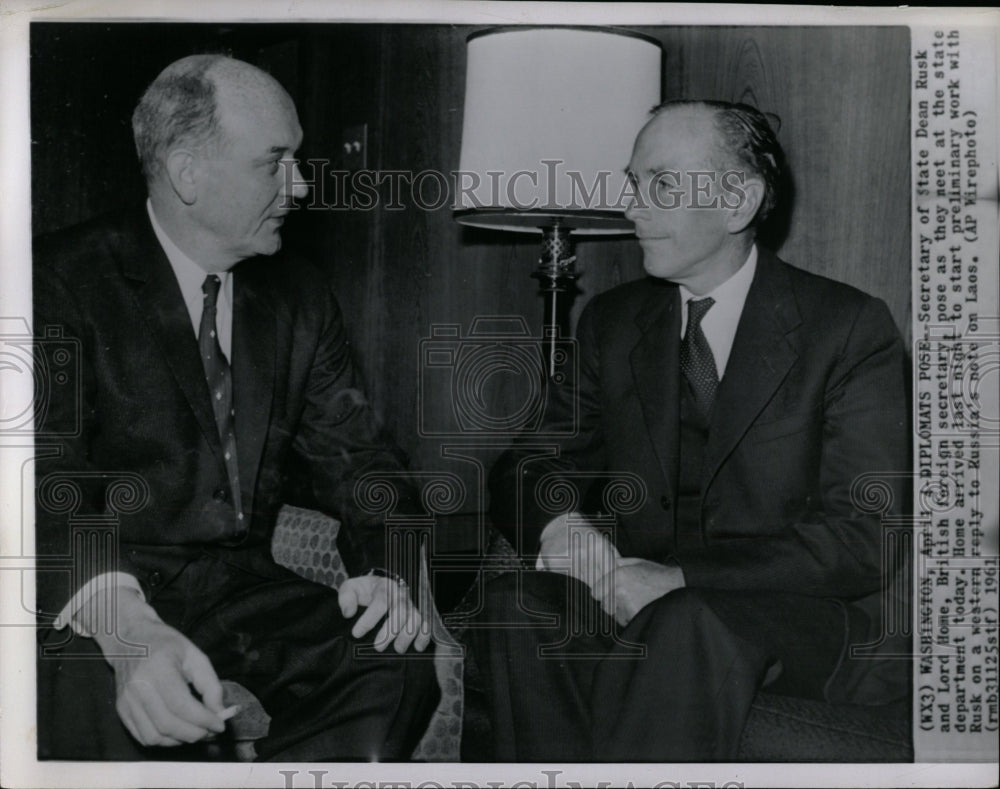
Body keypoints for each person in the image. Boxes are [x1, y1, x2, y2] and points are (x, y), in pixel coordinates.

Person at [476, 100, 910, 761]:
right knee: (518, 603)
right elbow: (527, 464)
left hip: (794, 619)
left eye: (663, 184)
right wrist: (564, 528)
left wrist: (680, 578)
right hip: (646, 601)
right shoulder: (612, 323)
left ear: (739, 201)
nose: (632, 208)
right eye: (634, 183)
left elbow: (866, 537)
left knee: (686, 621)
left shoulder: (847, 329)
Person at [33, 54, 439, 762]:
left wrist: (388, 569)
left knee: (394, 665)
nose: (302, 185)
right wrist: (125, 624)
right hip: (98, 589)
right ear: (188, 171)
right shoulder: (55, 282)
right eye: (275, 162)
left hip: (240, 594)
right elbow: (44, 473)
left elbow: (363, 458)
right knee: (97, 701)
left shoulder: (298, 297)